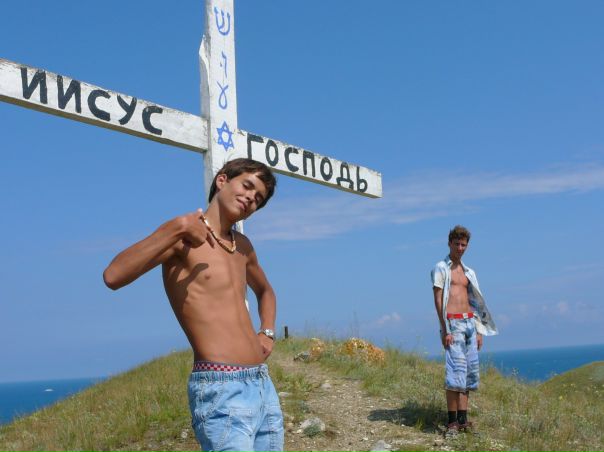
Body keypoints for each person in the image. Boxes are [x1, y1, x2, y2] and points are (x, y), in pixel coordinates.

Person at [103, 158, 283, 452]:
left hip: (262, 385)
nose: (251, 197)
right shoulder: (181, 236)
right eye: (247, 185)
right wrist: (178, 227)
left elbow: (266, 291)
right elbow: (113, 276)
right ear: (222, 181)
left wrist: (268, 332)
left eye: (259, 198)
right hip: (220, 387)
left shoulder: (242, 246)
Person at [431, 225, 497, 438]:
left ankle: (462, 420)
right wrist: (445, 329)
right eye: (457, 244)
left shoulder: (469, 272)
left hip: (470, 323)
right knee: (454, 373)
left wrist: (479, 330)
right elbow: (438, 300)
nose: (460, 248)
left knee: (469, 374)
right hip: (453, 324)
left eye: (463, 245)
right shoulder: (441, 268)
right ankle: (451, 423)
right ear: (449, 243)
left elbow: (475, 302)